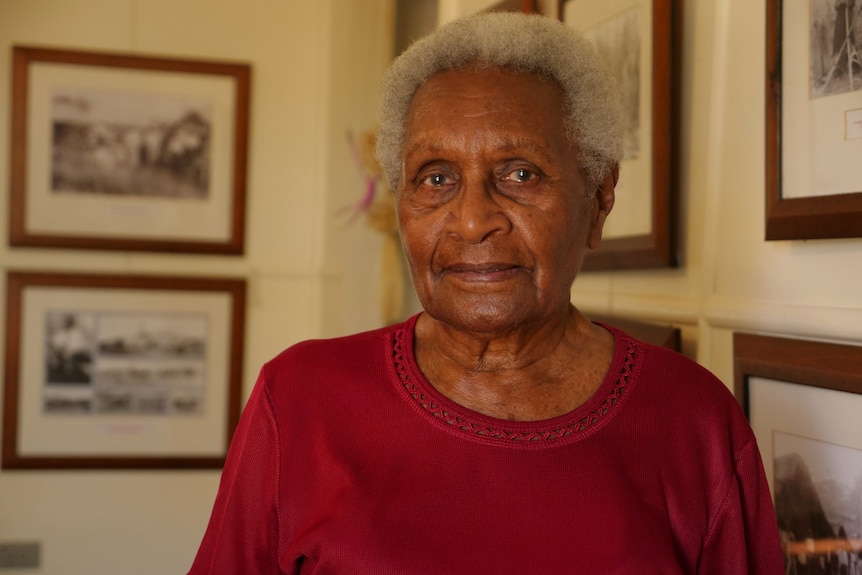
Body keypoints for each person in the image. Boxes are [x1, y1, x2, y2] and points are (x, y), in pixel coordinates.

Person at [188, 12, 784, 574]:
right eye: (436, 178)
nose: (473, 221)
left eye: (520, 173)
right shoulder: (298, 400)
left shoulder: (694, 420)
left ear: (599, 200)